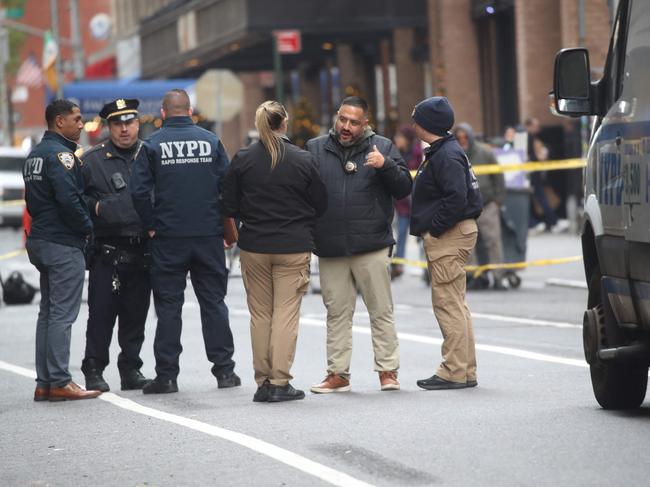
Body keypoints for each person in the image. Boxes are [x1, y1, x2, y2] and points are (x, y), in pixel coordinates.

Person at [130, 89, 240, 394]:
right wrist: (229, 227)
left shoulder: (152, 145)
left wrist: (152, 225)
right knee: (214, 304)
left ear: (163, 114)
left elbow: (138, 192)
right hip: (208, 236)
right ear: (190, 111)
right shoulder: (211, 141)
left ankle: (166, 376)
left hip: (169, 237)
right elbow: (229, 187)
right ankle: (225, 372)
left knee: (168, 308)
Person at [220, 101, 327, 403]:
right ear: (285, 122)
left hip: (254, 245)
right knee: (286, 314)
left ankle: (263, 381)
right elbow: (321, 202)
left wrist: (238, 231)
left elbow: (227, 205)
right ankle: (280, 381)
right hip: (293, 246)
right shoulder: (302, 160)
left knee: (261, 315)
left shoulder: (243, 159)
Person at [306, 96, 412, 393]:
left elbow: (404, 188)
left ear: (365, 123)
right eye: (342, 119)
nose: (346, 126)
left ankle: (388, 371)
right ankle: (338, 374)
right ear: (336, 117)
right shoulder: (315, 149)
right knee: (337, 312)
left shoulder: (383, 146)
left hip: (372, 243)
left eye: (354, 122)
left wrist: (385, 165)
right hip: (330, 245)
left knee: (381, 310)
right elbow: (302, 193)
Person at [23, 99, 101, 402]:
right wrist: (87, 228)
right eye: (77, 119)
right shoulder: (61, 156)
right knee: (62, 315)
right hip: (61, 241)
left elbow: (32, 202)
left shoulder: (35, 156)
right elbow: (70, 200)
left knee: (48, 312)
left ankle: (45, 381)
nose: (81, 124)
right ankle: (59, 380)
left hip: (41, 238)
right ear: (59, 122)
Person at [409, 96, 483, 390]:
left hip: (450, 235)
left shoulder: (446, 155)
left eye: (416, 118)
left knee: (447, 304)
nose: (413, 123)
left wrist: (435, 229)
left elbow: (456, 198)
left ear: (426, 124)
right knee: (457, 304)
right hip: (456, 232)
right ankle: (465, 369)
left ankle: (453, 370)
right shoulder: (445, 150)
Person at [80, 98, 152, 392]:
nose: (124, 129)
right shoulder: (92, 160)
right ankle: (94, 368)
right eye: (118, 124)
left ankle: (130, 367)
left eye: (129, 123)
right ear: (109, 127)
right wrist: (96, 208)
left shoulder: (150, 155)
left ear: (137, 124)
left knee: (136, 314)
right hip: (108, 251)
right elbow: (75, 199)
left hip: (143, 249)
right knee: (102, 314)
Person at [453, 123, 507, 290]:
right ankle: (475, 275)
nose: (462, 141)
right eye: (459, 138)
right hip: (465, 206)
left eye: (465, 137)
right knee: (469, 243)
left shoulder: (484, 152)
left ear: (470, 137)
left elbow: (498, 176)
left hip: (487, 203)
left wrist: (498, 200)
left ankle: (498, 276)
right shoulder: (454, 154)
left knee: (493, 241)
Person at [391, 125, 423, 279]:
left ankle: (426, 267)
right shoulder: (396, 153)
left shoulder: (417, 153)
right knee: (401, 234)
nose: (397, 140)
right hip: (402, 204)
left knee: (421, 236)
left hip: (417, 202)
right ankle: (398, 264)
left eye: (400, 137)